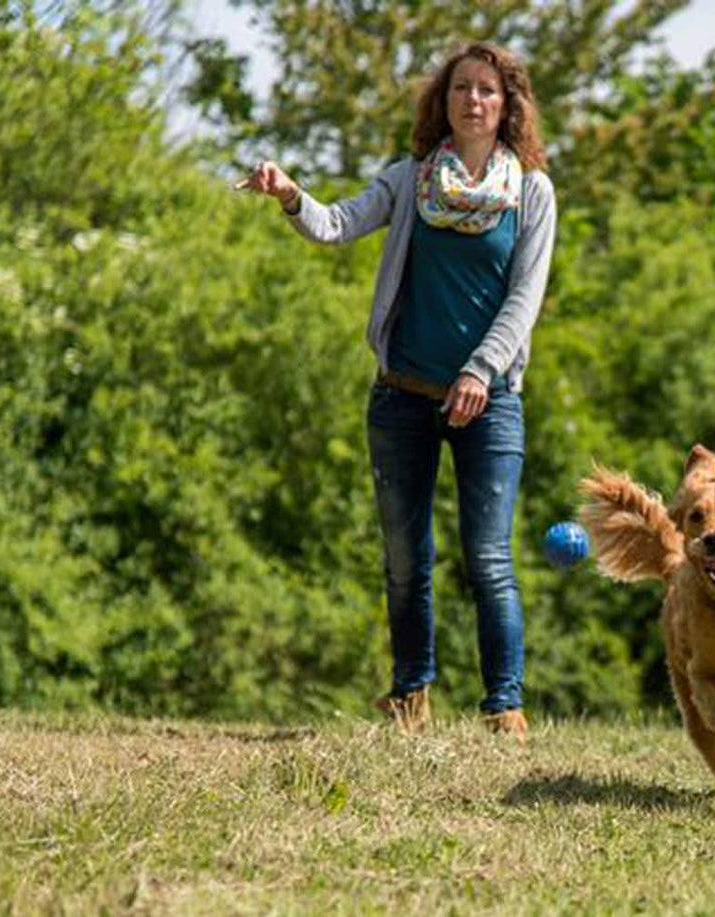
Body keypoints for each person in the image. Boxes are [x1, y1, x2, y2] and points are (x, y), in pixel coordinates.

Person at [239, 42, 556, 742]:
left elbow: (525, 296)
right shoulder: (413, 179)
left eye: (487, 91)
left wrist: (481, 370)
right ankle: (410, 696)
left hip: (490, 400)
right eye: (461, 88)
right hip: (402, 396)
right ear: (442, 102)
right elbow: (337, 224)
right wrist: (291, 194)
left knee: (490, 558)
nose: (474, 100)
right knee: (407, 558)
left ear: (507, 108)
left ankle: (504, 707)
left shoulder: (531, 191)